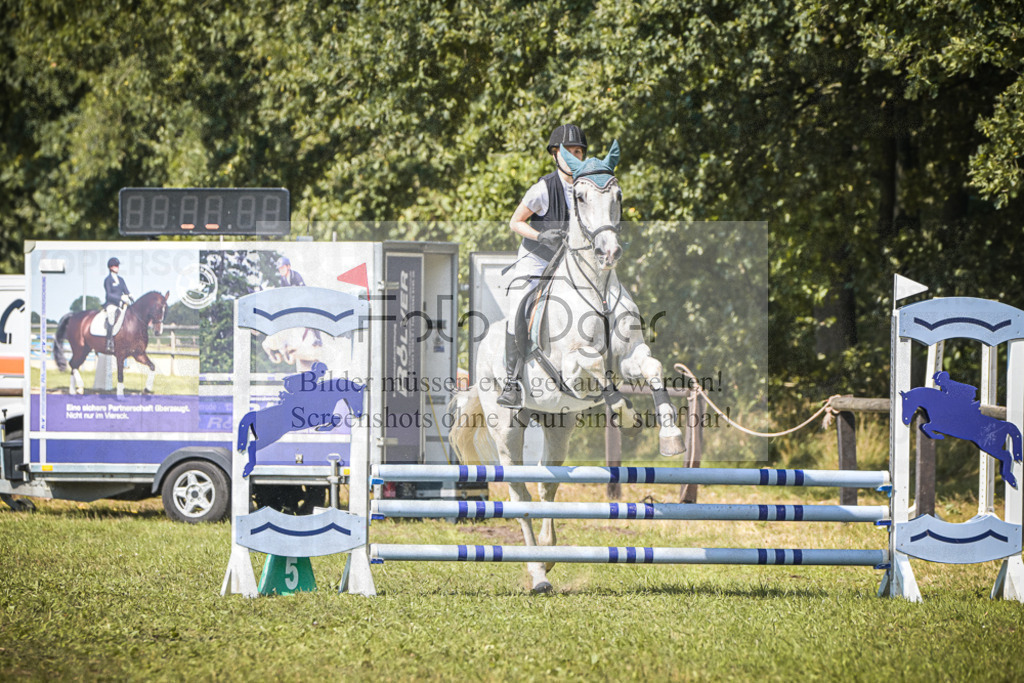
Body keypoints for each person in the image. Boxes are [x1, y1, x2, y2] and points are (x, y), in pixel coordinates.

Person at [497, 124, 587, 408]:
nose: (574, 157)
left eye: (579, 152)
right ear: (555, 155)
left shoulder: (587, 187)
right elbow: (515, 222)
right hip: (536, 259)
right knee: (518, 308)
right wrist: (540, 235)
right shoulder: (543, 188)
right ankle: (512, 382)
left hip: (569, 264)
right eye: (568, 152)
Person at [276, 256, 321, 346]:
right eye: (279, 269)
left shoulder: (296, 275)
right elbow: (282, 294)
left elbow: (303, 291)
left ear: (288, 267)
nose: (280, 270)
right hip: (293, 303)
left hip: (305, 300)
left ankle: (317, 338)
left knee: (310, 316)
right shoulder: (283, 279)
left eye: (282, 268)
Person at [103, 257, 132, 352]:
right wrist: (120, 298)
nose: (117, 267)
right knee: (111, 317)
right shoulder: (108, 280)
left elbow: (126, 290)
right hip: (111, 304)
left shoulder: (121, 279)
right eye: (115, 266)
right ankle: (109, 341)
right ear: (110, 267)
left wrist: (130, 296)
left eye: (118, 266)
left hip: (121, 305)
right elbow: (109, 294)